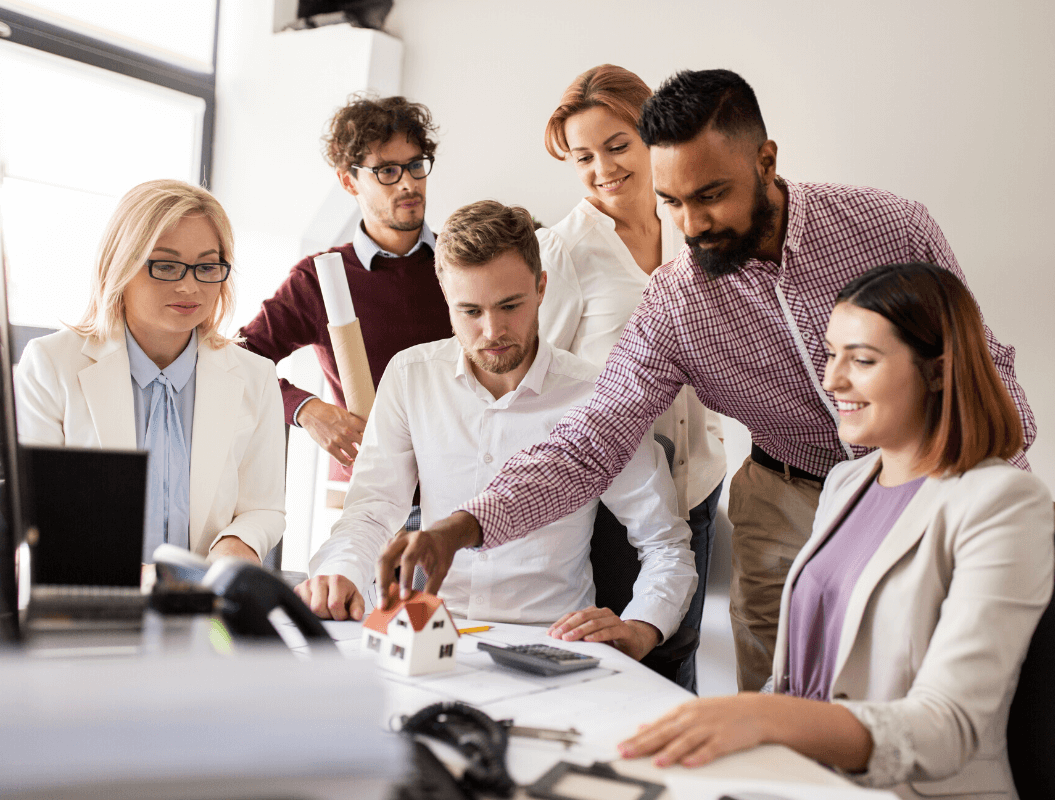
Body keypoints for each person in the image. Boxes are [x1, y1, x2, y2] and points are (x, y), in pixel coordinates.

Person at [376, 68, 1055, 692]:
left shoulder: (888, 227)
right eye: (672, 202)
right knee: (783, 693)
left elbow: (979, 369)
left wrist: (1009, 486)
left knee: (929, 682)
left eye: (710, 196)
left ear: (765, 161)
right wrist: (462, 527)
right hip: (785, 496)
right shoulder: (674, 301)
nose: (691, 225)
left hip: (927, 485)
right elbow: (588, 444)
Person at [617, 262, 1054, 799]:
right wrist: (746, 726)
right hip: (806, 777)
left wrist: (764, 717)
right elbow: (804, 672)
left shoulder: (1002, 501)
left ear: (939, 371)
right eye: (829, 354)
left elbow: (948, 730)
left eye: (862, 360)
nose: (831, 381)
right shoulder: (848, 483)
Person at [296, 201, 696, 661]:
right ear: (445, 298)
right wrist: (341, 572)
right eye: (470, 311)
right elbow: (371, 510)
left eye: (510, 305)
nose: (493, 331)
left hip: (551, 641)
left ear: (541, 287)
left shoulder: (596, 397)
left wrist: (642, 627)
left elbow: (666, 544)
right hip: (429, 633)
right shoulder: (411, 376)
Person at [537, 64, 727, 689]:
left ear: (651, 137)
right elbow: (541, 382)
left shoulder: (691, 228)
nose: (603, 169)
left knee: (679, 659)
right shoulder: (561, 251)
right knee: (616, 671)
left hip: (696, 482)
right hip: (610, 504)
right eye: (583, 157)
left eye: (617, 146)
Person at [15, 179, 285, 563]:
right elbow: (33, 507)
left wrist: (238, 543)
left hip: (199, 605)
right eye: (167, 266)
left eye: (207, 266)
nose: (190, 286)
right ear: (120, 266)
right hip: (92, 599)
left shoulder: (255, 376)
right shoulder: (50, 363)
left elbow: (263, 507)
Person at [238, 93, 452, 482]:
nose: (408, 183)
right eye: (386, 170)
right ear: (347, 181)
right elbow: (237, 359)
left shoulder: (462, 264)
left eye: (415, 166)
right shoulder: (318, 280)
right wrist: (304, 408)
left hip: (471, 490)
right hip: (377, 497)